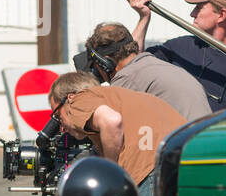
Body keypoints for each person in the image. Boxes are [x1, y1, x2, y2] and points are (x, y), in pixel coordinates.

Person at [48, 71, 187, 196]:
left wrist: (109, 172)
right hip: (183, 160)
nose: (61, 128)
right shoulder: (120, 96)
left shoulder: (80, 100)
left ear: (69, 99)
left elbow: (112, 121)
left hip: (150, 166)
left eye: (57, 115)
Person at [78, 22, 213, 121]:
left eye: (96, 67)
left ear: (105, 63)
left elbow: (113, 126)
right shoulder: (159, 67)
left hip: (182, 152)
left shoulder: (128, 79)